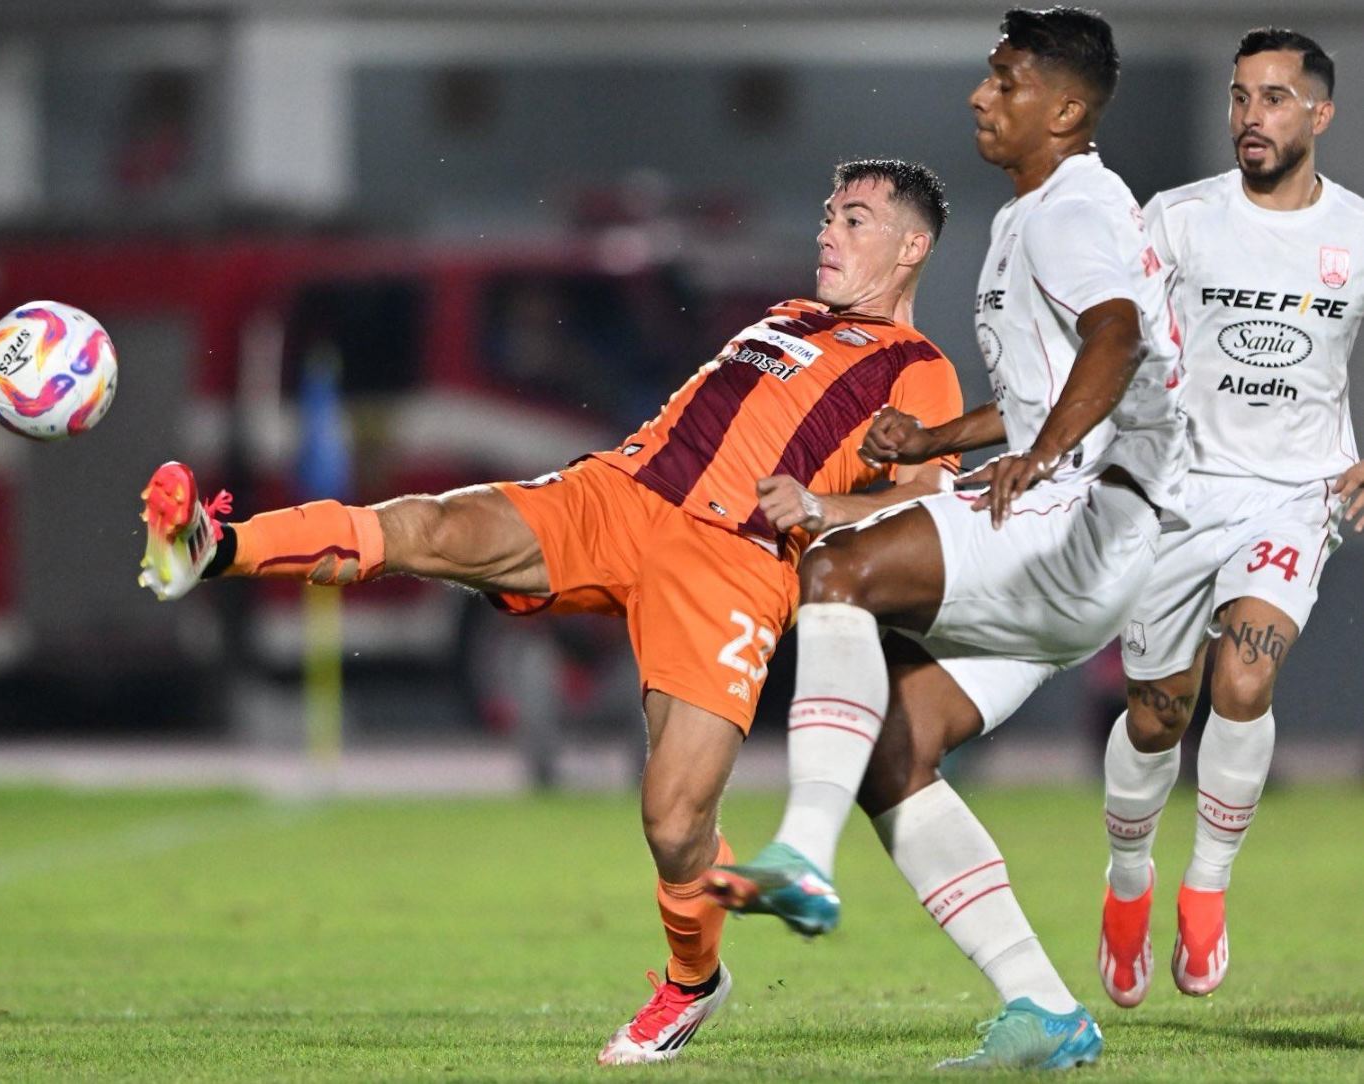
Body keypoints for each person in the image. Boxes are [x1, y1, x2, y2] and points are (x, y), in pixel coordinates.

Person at [135, 158, 964, 1066]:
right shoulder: (788, 317)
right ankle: (212, 546)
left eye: (853, 219)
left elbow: (929, 498)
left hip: (732, 564)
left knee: (673, 822)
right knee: (433, 527)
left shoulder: (919, 370)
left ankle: (693, 982)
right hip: (619, 495)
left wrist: (821, 508)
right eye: (828, 214)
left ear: (910, 248)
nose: (827, 231)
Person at [703, 6, 1189, 1070]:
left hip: (1082, 515)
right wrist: (937, 438)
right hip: (1093, 544)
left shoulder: (1071, 209)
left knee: (838, 565)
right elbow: (1052, 382)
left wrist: (1044, 453)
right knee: (894, 749)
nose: (981, 95)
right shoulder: (1038, 213)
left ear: (1065, 109)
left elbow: (1115, 339)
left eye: (1008, 81)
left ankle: (802, 852)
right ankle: (1045, 1011)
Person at [1098, 27, 1364, 1008]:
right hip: (1178, 493)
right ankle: (1129, 882)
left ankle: (1206, 888)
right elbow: (1110, 335)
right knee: (1156, 714)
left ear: (1320, 113)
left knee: (1244, 681)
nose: (1252, 116)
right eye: (1241, 97)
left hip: (1295, 494)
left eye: (1275, 98)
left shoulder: (1355, 232)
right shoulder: (1177, 219)